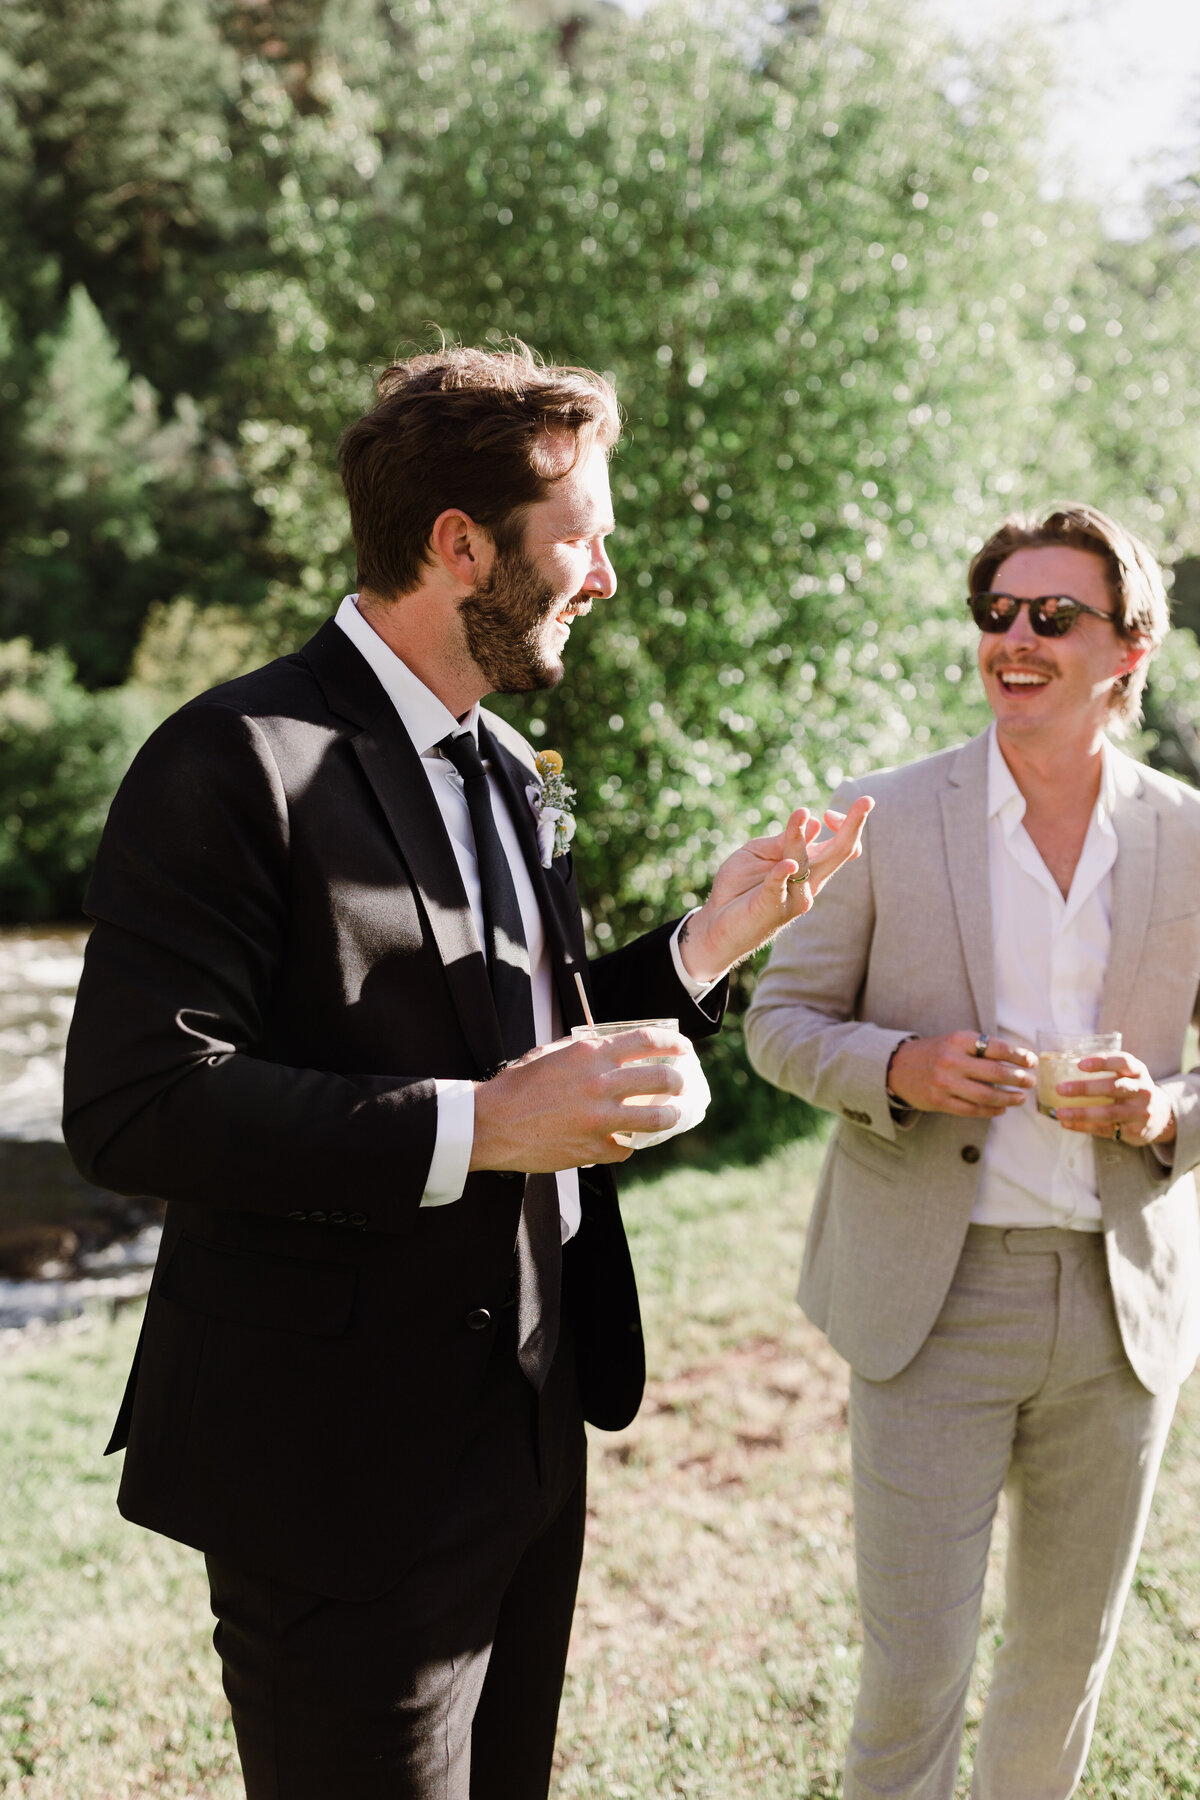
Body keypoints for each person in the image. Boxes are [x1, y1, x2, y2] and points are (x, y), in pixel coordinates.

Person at [62, 342, 871, 1800]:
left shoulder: (515, 768)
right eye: (584, 538)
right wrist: (477, 1128)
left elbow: (531, 1034)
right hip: (336, 1472)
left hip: (533, 1430)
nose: (606, 577)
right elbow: (135, 1102)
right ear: (459, 545)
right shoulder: (229, 759)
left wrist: (701, 945)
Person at [745, 503, 1200, 1799]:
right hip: (930, 1306)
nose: (1016, 637)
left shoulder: (1190, 834)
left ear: (1129, 650)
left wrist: (1163, 1111)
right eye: (996, 613)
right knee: (912, 1676)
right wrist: (901, 1067)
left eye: (1053, 616)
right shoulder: (880, 816)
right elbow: (778, 1023)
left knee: (1065, 1664)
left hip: (1122, 1315)